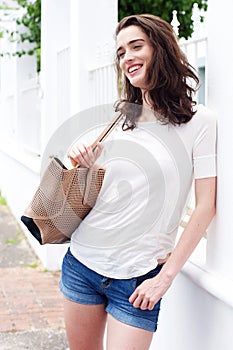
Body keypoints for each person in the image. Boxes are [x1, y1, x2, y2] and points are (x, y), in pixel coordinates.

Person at [60, 14, 217, 350]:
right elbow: (104, 193)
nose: (126, 57)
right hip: (83, 263)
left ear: (159, 48)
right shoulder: (119, 117)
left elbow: (206, 206)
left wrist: (165, 278)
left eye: (136, 46)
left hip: (139, 276)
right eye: (120, 52)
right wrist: (84, 165)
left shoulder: (198, 122)